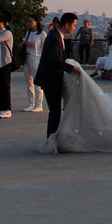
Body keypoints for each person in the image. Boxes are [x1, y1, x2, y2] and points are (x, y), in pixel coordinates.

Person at [35, 12, 79, 143]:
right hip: (51, 80)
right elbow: (54, 60)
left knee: (55, 112)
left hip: (52, 79)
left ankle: (53, 139)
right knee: (55, 112)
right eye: (73, 25)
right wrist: (71, 68)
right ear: (67, 25)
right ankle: (51, 140)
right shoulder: (54, 37)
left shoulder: (56, 35)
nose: (74, 28)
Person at [22, 16, 46, 113]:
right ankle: (30, 103)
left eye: (31, 21)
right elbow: (24, 41)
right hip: (27, 56)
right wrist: (26, 43)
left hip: (36, 57)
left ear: (36, 22)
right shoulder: (28, 33)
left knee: (37, 82)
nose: (29, 23)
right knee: (29, 81)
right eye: (28, 21)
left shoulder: (42, 34)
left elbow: (45, 48)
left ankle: (39, 104)